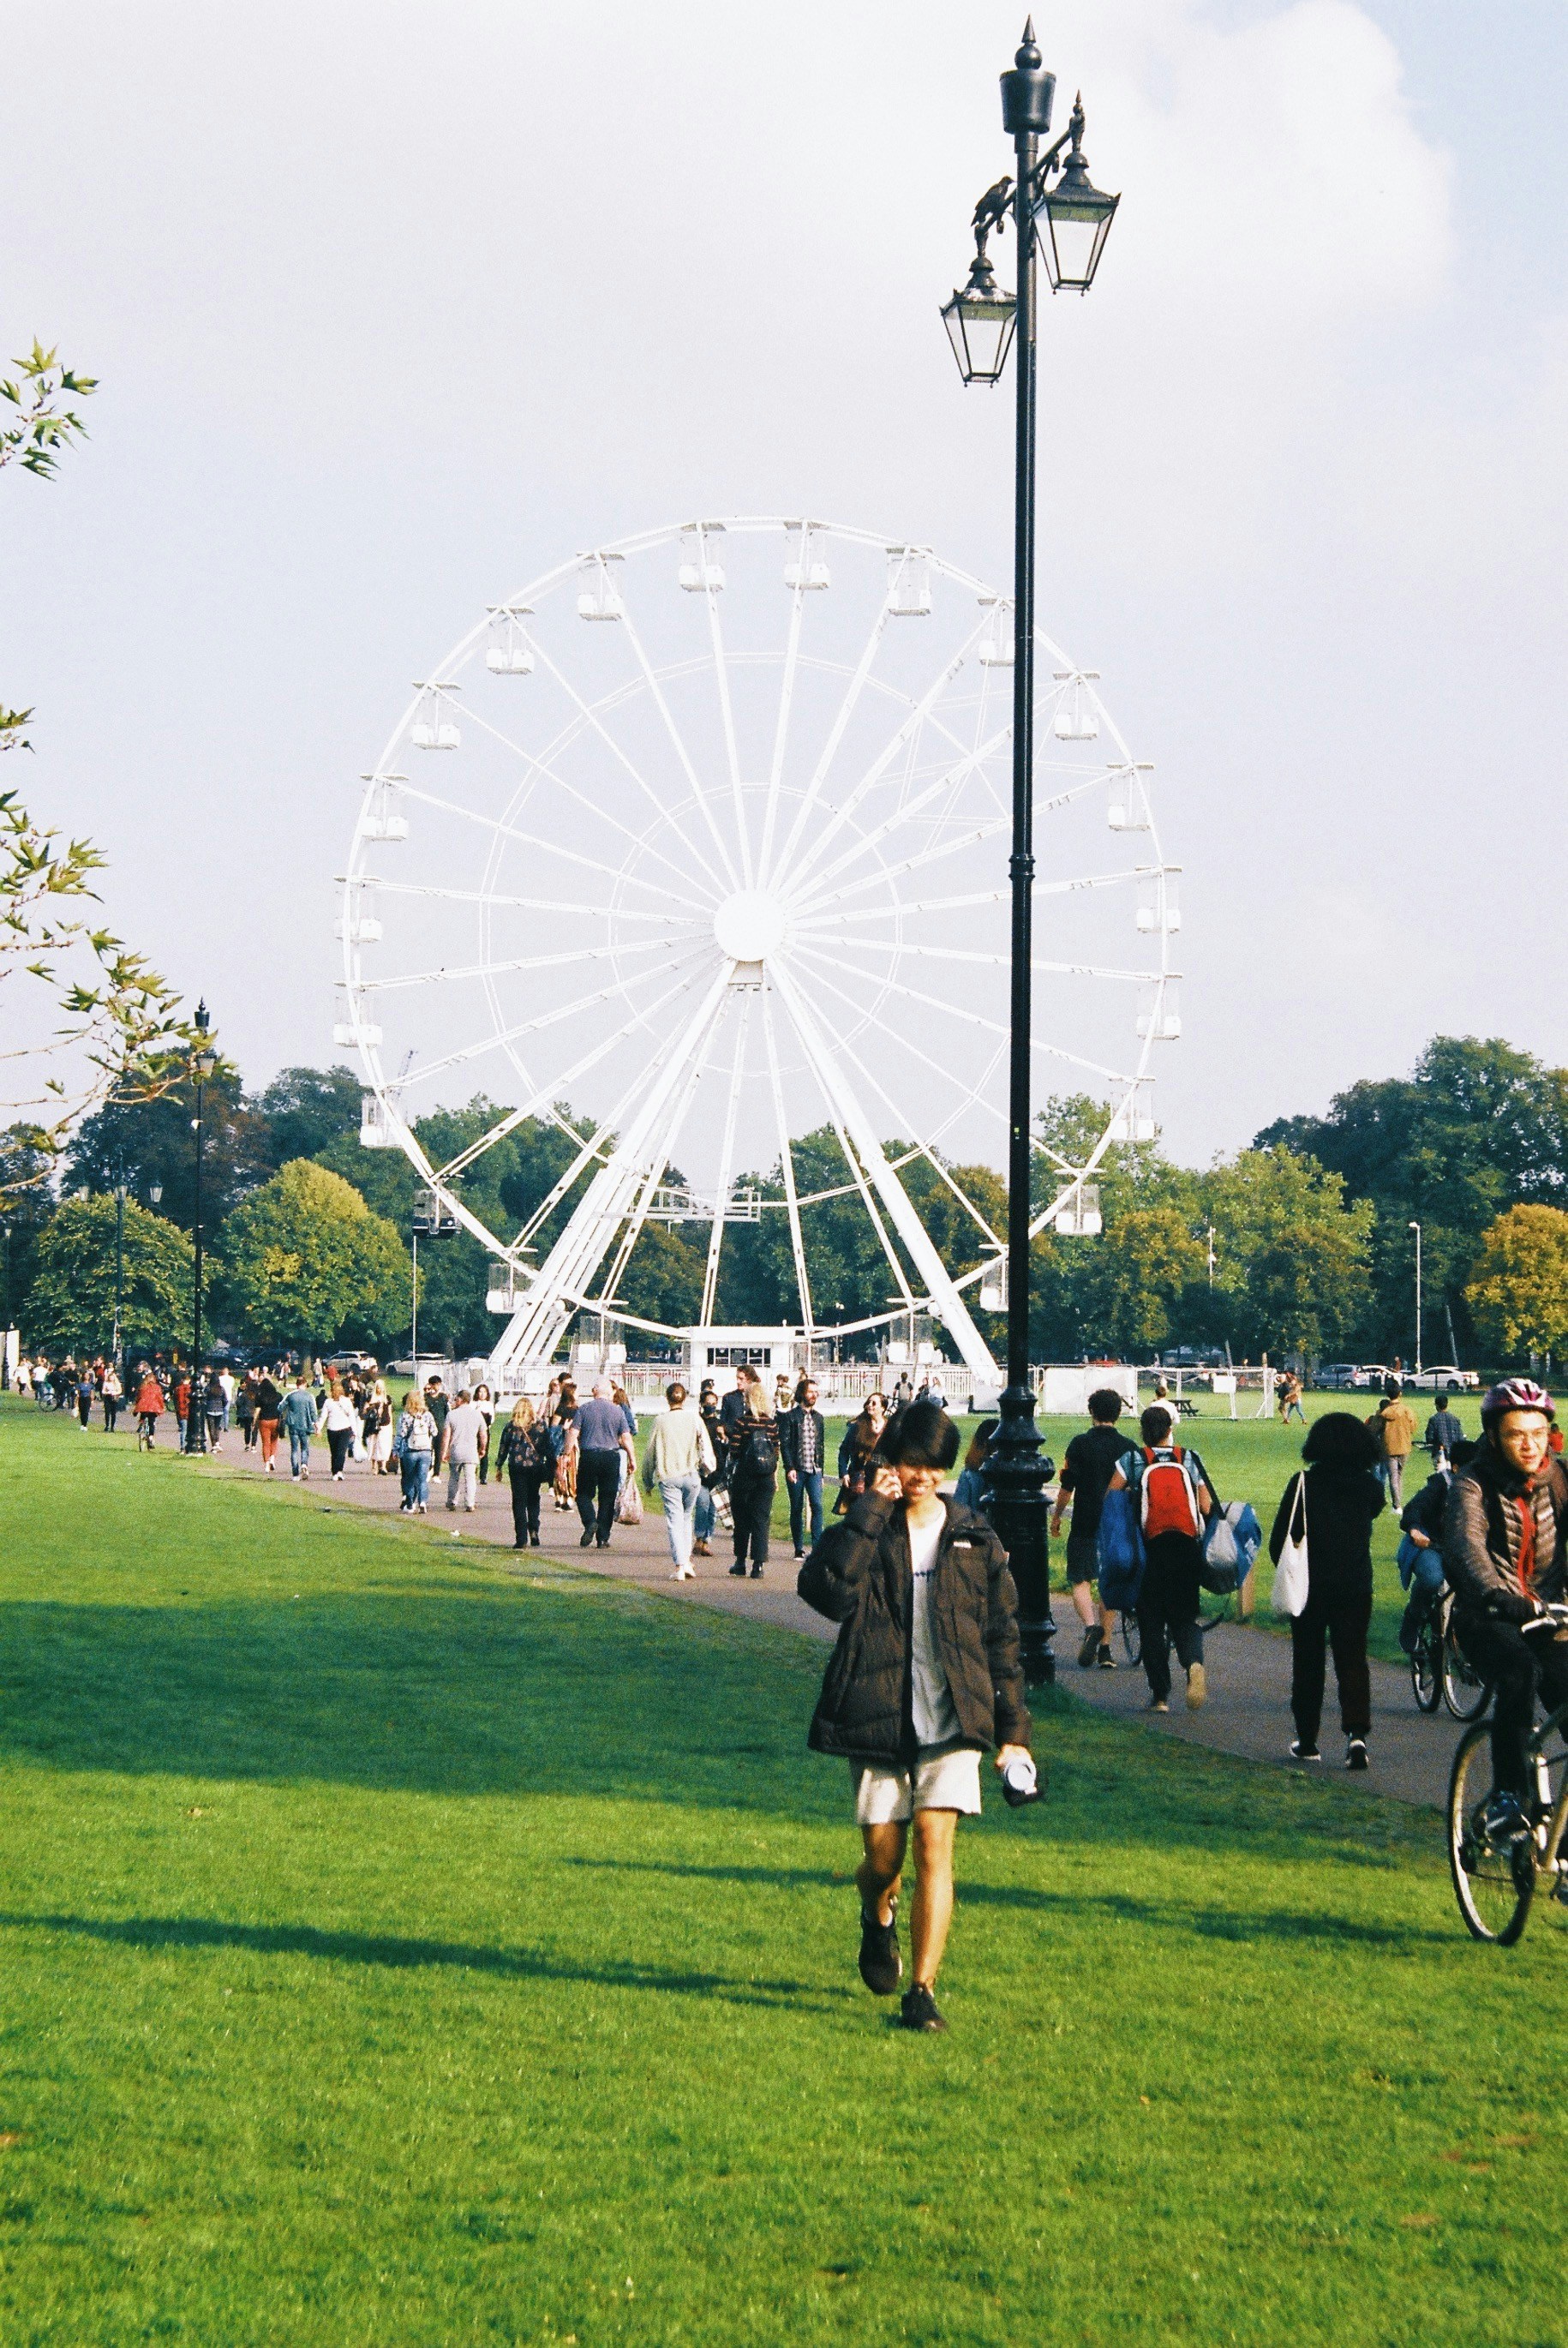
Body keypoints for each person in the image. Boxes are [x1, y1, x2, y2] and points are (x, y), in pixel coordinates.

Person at [797, 1398, 1033, 2034]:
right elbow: (826, 1594)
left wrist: (1014, 1734)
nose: (922, 1475)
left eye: (933, 1464)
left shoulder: (975, 1536)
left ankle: (923, 1990)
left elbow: (1001, 1638)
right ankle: (878, 1916)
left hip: (954, 1714)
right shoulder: (869, 1526)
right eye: (911, 1462)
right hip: (876, 1710)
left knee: (936, 1845)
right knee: (883, 1861)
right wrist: (871, 1507)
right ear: (891, 1461)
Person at [1443, 1378, 1568, 1837]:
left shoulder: (1561, 1478)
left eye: (1539, 1432)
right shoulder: (1471, 1483)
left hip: (1551, 1615)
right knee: (1519, 1673)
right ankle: (1507, 1796)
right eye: (1518, 1434)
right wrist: (1498, 1596)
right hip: (1488, 1616)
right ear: (1494, 1436)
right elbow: (1465, 1545)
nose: (1531, 1444)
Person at [1269, 1413, 1384, 1768]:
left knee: (1308, 1663)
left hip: (1310, 1587)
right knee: (1353, 1662)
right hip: (1355, 1585)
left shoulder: (1303, 1482)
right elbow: (1375, 1510)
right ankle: (1357, 1736)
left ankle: (1307, 1739)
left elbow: (1279, 1540)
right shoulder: (1369, 1488)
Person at [1106, 1405, 1214, 1713]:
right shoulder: (1189, 1458)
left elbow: (1110, 1500)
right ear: (1170, 1429)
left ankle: (1161, 1696)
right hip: (1185, 1548)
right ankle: (1193, 1663)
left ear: (1143, 1431)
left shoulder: (1132, 1460)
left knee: (1151, 1620)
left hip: (1149, 1550)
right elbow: (1205, 1506)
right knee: (1185, 1616)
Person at [1050, 1387, 1129, 1670]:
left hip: (1085, 1519)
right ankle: (1106, 1649)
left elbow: (1066, 1486)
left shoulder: (1079, 1444)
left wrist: (1057, 1516)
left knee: (1080, 1579)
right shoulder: (1128, 1447)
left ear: (1091, 1412)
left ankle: (1089, 1627)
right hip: (1117, 1522)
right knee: (1110, 1582)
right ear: (1118, 1413)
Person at [1397, 1438, 1475, 1656]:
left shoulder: (1481, 1489)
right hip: (1433, 1545)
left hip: (1464, 1549)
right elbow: (1414, 1508)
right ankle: (1414, 1616)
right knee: (1432, 1579)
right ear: (1456, 1468)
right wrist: (1414, 1530)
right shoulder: (1441, 1484)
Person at [643, 1381, 716, 1578]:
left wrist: (647, 1480)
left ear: (667, 1399)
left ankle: (680, 1565)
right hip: (691, 1475)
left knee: (674, 1521)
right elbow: (706, 1446)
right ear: (685, 1398)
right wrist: (708, 1469)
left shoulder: (660, 1421)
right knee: (686, 1518)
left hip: (669, 1476)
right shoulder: (695, 1419)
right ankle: (687, 1562)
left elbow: (650, 1453)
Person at [568, 1376, 637, 1549]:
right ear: (610, 1392)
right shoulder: (618, 1411)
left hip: (589, 1455)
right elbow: (626, 1437)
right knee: (607, 1497)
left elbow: (573, 1433)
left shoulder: (584, 1409)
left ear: (594, 1391)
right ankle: (603, 1537)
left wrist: (566, 1452)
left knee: (584, 1494)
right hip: (610, 1456)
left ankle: (590, 1521)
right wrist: (632, 1458)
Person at [727, 1382, 779, 1579]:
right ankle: (758, 1565)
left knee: (742, 1520)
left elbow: (734, 1451)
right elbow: (775, 1452)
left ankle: (740, 1562)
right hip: (765, 1478)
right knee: (761, 1519)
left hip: (744, 1476)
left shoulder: (742, 1422)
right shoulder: (771, 1424)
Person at [779, 1375, 827, 1562]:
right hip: (797, 1468)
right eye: (810, 1392)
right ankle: (799, 1548)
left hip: (814, 1469)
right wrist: (789, 1467)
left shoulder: (819, 1418)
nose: (814, 1395)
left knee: (817, 1505)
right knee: (797, 1507)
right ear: (802, 1394)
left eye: (816, 1392)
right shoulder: (791, 1417)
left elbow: (820, 1444)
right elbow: (785, 1444)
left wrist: (821, 1468)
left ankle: (817, 1547)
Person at [497, 1397, 550, 1546]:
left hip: (517, 1467)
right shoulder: (540, 1426)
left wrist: (499, 1465)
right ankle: (533, 1528)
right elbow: (547, 1446)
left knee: (519, 1501)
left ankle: (521, 1538)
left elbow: (503, 1447)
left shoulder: (510, 1427)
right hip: (535, 1467)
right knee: (533, 1498)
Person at [1369, 1377, 1416, 1510]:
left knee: (1393, 1477)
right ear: (1400, 1394)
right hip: (1405, 1446)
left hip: (1389, 1448)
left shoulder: (1384, 1413)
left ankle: (1397, 1505)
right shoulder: (1407, 1410)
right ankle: (1397, 1502)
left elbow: (1373, 1430)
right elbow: (1413, 1427)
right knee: (1399, 1476)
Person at [836, 1393, 887, 1513]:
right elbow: (844, 1450)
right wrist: (844, 1473)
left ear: (883, 1408)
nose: (870, 1405)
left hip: (880, 1477)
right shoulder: (858, 1426)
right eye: (868, 1402)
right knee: (858, 1514)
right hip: (859, 1477)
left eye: (874, 1403)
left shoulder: (889, 1427)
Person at [442, 1387, 487, 1512]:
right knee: (470, 1478)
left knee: (454, 1477)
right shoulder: (477, 1414)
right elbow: (483, 1434)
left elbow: (447, 1435)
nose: (455, 1401)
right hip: (471, 1451)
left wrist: (445, 1451)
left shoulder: (451, 1414)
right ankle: (469, 1503)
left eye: (457, 1399)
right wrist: (483, 1448)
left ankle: (452, 1501)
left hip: (456, 1450)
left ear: (461, 1400)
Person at [694, 1379, 724, 1557]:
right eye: (708, 1404)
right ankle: (698, 1537)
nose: (710, 1407)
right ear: (702, 1404)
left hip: (717, 1472)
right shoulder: (698, 1423)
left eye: (714, 1404)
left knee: (713, 1510)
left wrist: (723, 1436)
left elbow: (727, 1448)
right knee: (703, 1504)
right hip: (701, 1471)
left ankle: (707, 1540)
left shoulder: (720, 1425)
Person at [396, 1388, 437, 1512]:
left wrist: (396, 1450)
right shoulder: (428, 1415)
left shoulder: (405, 1416)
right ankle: (423, 1502)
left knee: (409, 1478)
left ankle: (410, 1504)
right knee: (422, 1479)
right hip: (425, 1450)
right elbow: (435, 1432)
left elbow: (401, 1434)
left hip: (410, 1451)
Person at [279, 1373, 318, 1481]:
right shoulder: (310, 1396)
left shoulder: (290, 1395)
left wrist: (287, 1413)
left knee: (294, 1449)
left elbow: (280, 1407)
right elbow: (313, 1412)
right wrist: (316, 1425)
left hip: (293, 1426)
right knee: (305, 1448)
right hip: (305, 1426)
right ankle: (304, 1464)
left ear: (297, 1384)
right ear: (305, 1384)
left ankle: (295, 1474)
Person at [320, 1380, 357, 1481]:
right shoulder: (328, 1402)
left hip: (344, 1429)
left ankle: (338, 1471)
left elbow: (351, 1416)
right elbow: (323, 1417)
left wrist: (354, 1430)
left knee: (340, 1451)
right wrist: (318, 1428)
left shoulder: (345, 1401)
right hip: (333, 1429)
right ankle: (335, 1471)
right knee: (336, 1452)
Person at [254, 1372, 284, 1472]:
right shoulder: (278, 1396)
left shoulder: (260, 1396)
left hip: (264, 1421)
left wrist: (254, 1422)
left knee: (265, 1443)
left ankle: (266, 1464)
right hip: (275, 1420)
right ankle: (272, 1459)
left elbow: (257, 1410)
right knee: (274, 1441)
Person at [362, 1379, 394, 1474]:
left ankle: (383, 1466)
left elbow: (389, 1412)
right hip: (373, 1425)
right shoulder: (371, 1399)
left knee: (383, 1445)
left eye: (381, 1388)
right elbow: (365, 1411)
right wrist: (370, 1408)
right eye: (378, 1388)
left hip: (385, 1424)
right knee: (374, 1444)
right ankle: (374, 1465)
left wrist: (391, 1425)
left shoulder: (387, 1399)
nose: (379, 1390)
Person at [1425, 1396, 1463, 1465]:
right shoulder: (1455, 1419)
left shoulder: (1433, 1419)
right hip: (1453, 1454)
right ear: (1447, 1405)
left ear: (1436, 1405)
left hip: (1440, 1453)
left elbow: (1429, 1438)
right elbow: (1460, 1438)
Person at [134, 1363, 163, 1448]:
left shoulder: (143, 1387)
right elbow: (159, 1398)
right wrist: (161, 1407)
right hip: (153, 1407)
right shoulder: (157, 1387)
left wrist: (136, 1407)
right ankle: (150, 1438)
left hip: (143, 1407)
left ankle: (141, 1424)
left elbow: (139, 1397)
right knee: (152, 1423)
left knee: (143, 1415)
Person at [473, 1383, 496, 1485]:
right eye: (480, 1392)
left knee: (484, 1453)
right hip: (473, 1431)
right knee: (473, 1452)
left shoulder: (489, 1405)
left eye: (484, 1392)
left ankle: (483, 1476)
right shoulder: (473, 1404)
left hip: (485, 1430)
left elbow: (492, 1419)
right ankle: (472, 1473)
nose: (482, 1394)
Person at [202, 1368, 226, 1454]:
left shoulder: (208, 1388)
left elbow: (204, 1399)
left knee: (211, 1427)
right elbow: (225, 1399)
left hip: (210, 1409)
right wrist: (222, 1406)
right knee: (217, 1427)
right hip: (219, 1409)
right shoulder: (221, 1389)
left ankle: (213, 1445)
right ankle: (217, 1442)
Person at [100, 1363, 123, 1435]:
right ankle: (107, 1425)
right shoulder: (106, 1383)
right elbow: (103, 1391)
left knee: (113, 1413)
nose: (111, 1378)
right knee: (107, 1412)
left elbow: (120, 1391)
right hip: (108, 1398)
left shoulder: (117, 1383)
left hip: (114, 1398)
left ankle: (112, 1427)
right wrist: (108, 1392)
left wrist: (115, 1393)